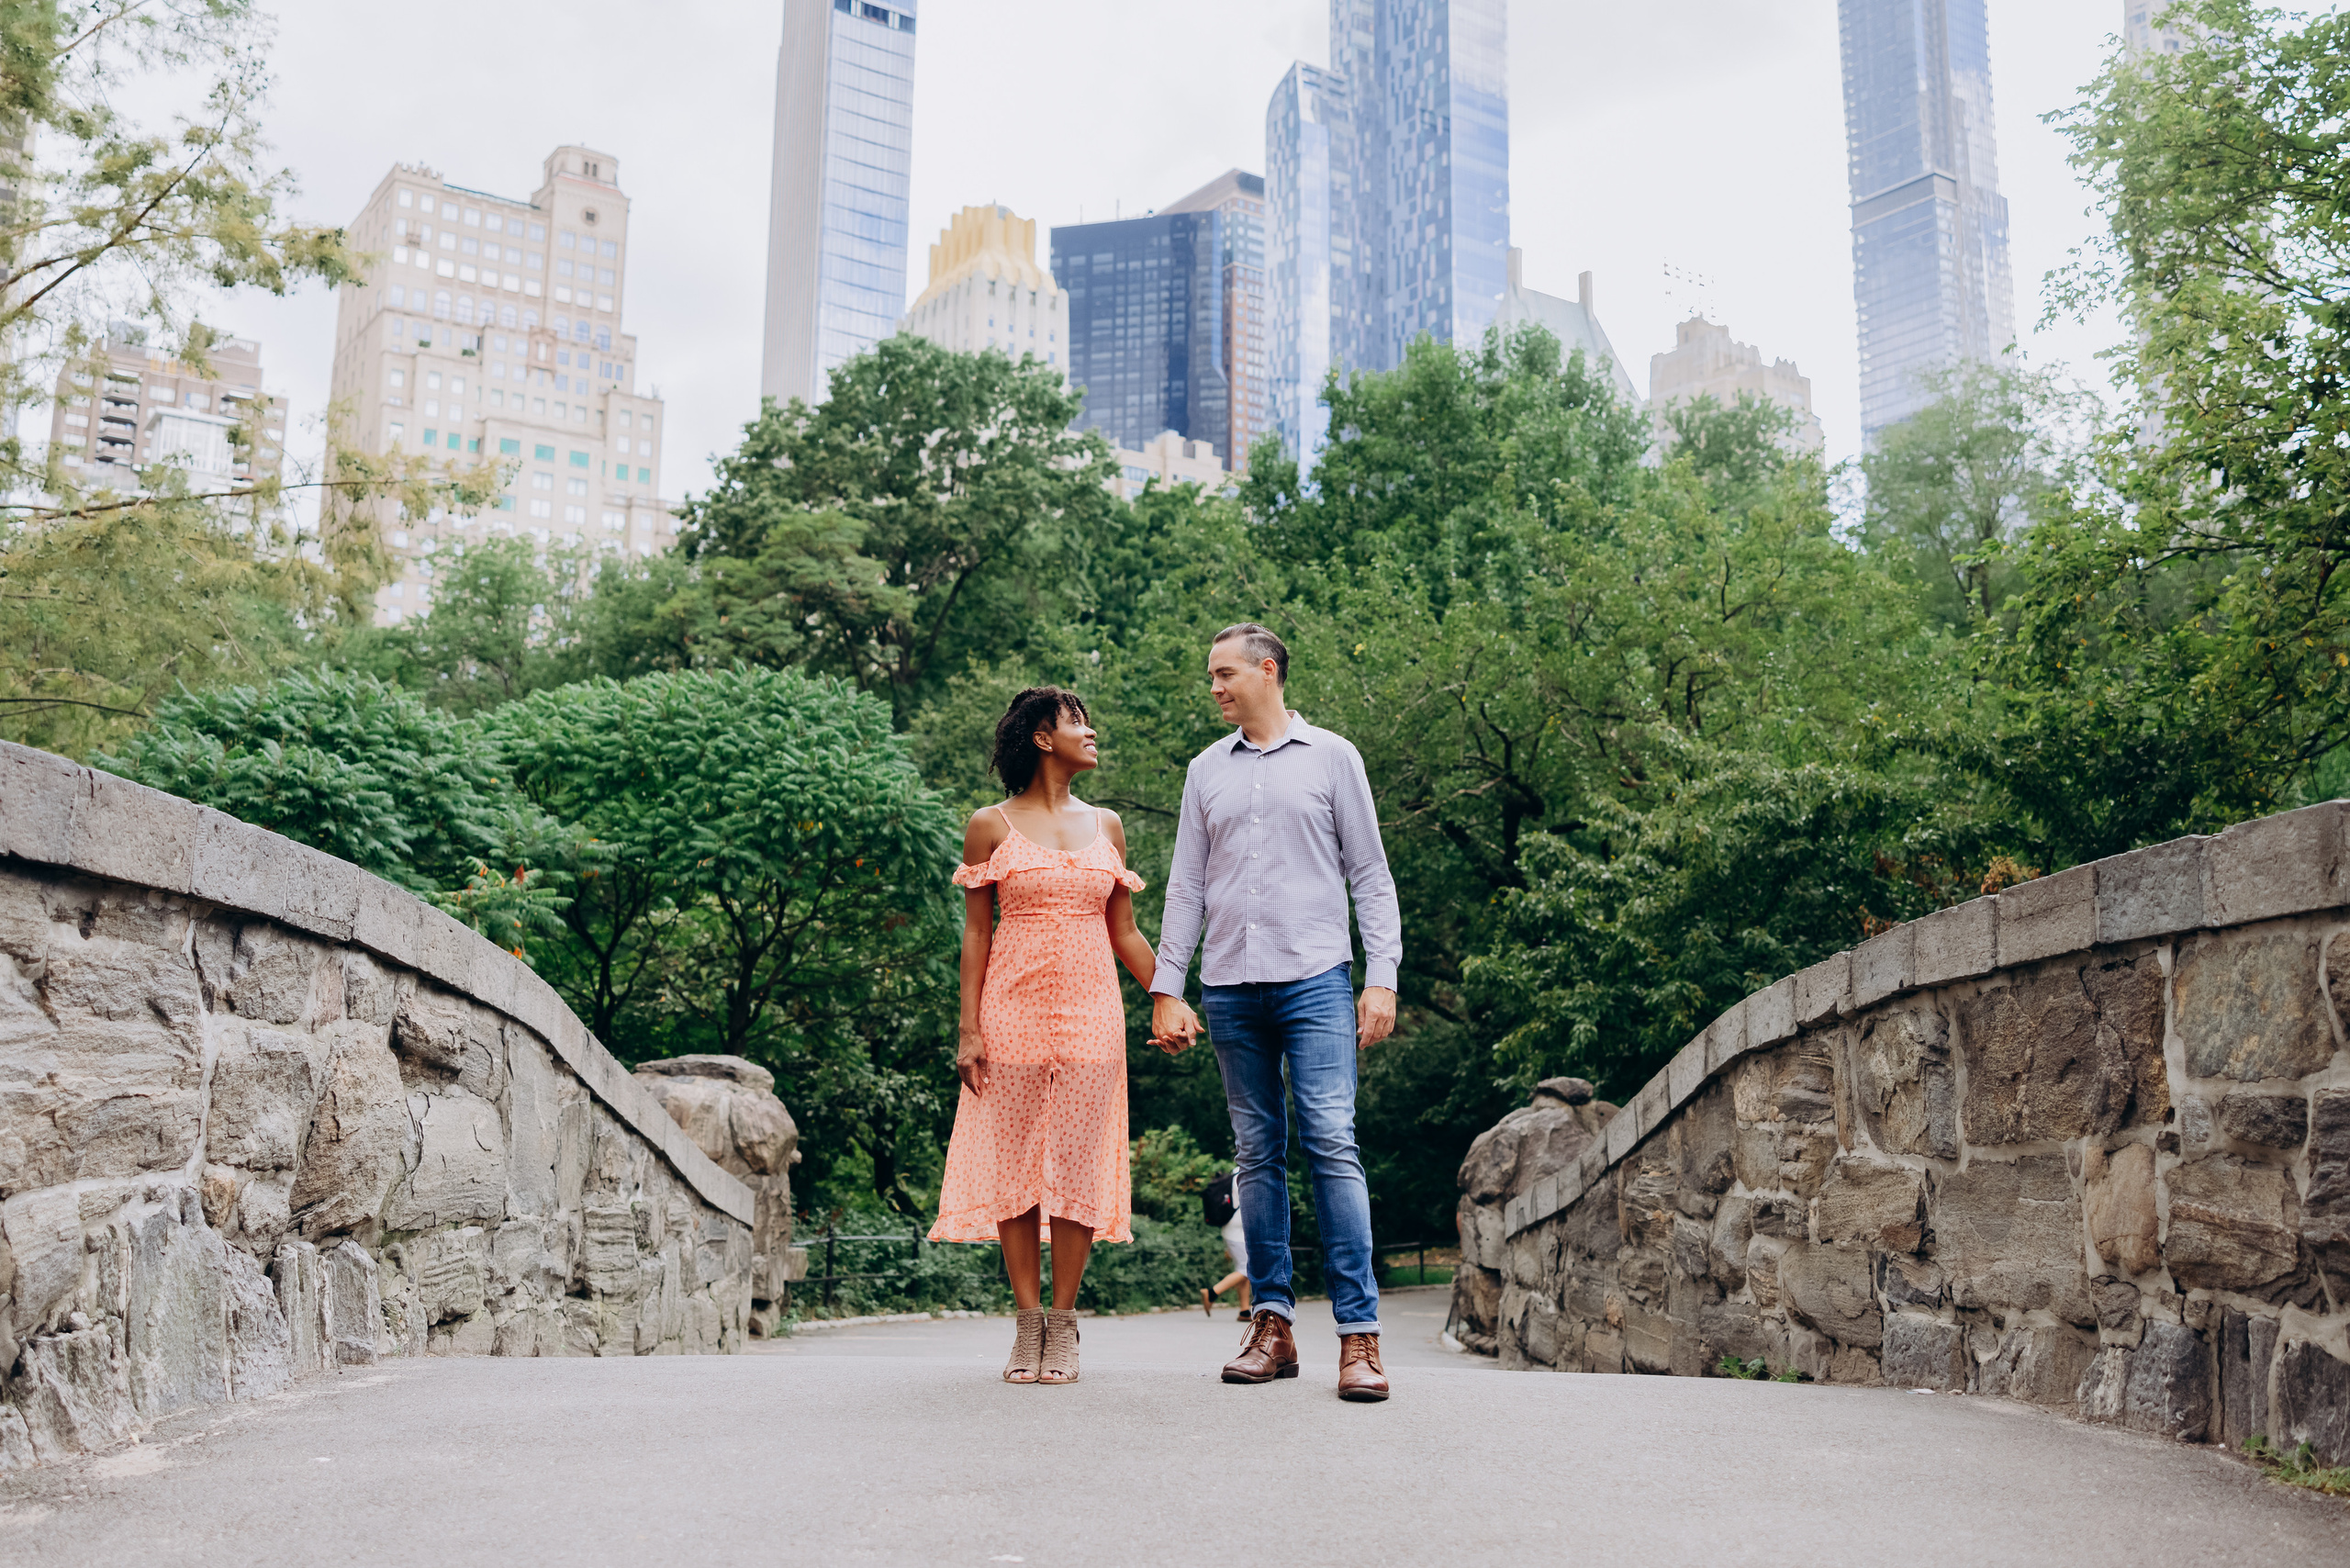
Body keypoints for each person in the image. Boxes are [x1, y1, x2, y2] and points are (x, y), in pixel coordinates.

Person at [1149, 624, 1403, 1403]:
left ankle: (1359, 1337)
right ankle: (1272, 1324)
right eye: (1211, 677)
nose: (1215, 688)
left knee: (1331, 1140)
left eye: (1225, 675)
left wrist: (1382, 976)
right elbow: (1185, 885)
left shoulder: (1333, 757)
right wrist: (1168, 985)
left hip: (1316, 980)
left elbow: (1370, 871)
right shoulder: (1204, 772)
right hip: (1230, 987)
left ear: (1268, 672)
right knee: (1256, 1154)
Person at [928, 687, 1160, 1385]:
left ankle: (1064, 1325)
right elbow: (975, 934)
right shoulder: (989, 825)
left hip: (1092, 1012)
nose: (1093, 734)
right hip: (1012, 1011)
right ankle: (1027, 1323)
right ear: (1040, 737)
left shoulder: (1109, 826)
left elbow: (1124, 929)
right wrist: (969, 1029)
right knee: (1018, 1169)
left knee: (1080, 1166)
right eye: (1078, 725)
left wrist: (1171, 999)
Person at [1200, 1169, 1252, 1318]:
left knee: (1243, 1269)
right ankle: (1212, 1293)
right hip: (1237, 1230)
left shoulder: (1236, 1172)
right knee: (1248, 1269)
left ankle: (1244, 1310)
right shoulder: (1245, 1174)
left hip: (1233, 1229)